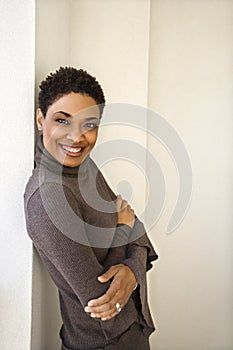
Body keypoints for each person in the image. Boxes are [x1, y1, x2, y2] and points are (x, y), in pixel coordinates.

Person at [24, 67, 158, 350]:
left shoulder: (83, 167)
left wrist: (131, 270)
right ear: (40, 119)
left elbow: (137, 225)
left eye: (89, 125)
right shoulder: (48, 198)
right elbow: (102, 299)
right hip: (100, 342)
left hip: (130, 332)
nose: (77, 138)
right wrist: (123, 232)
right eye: (62, 120)